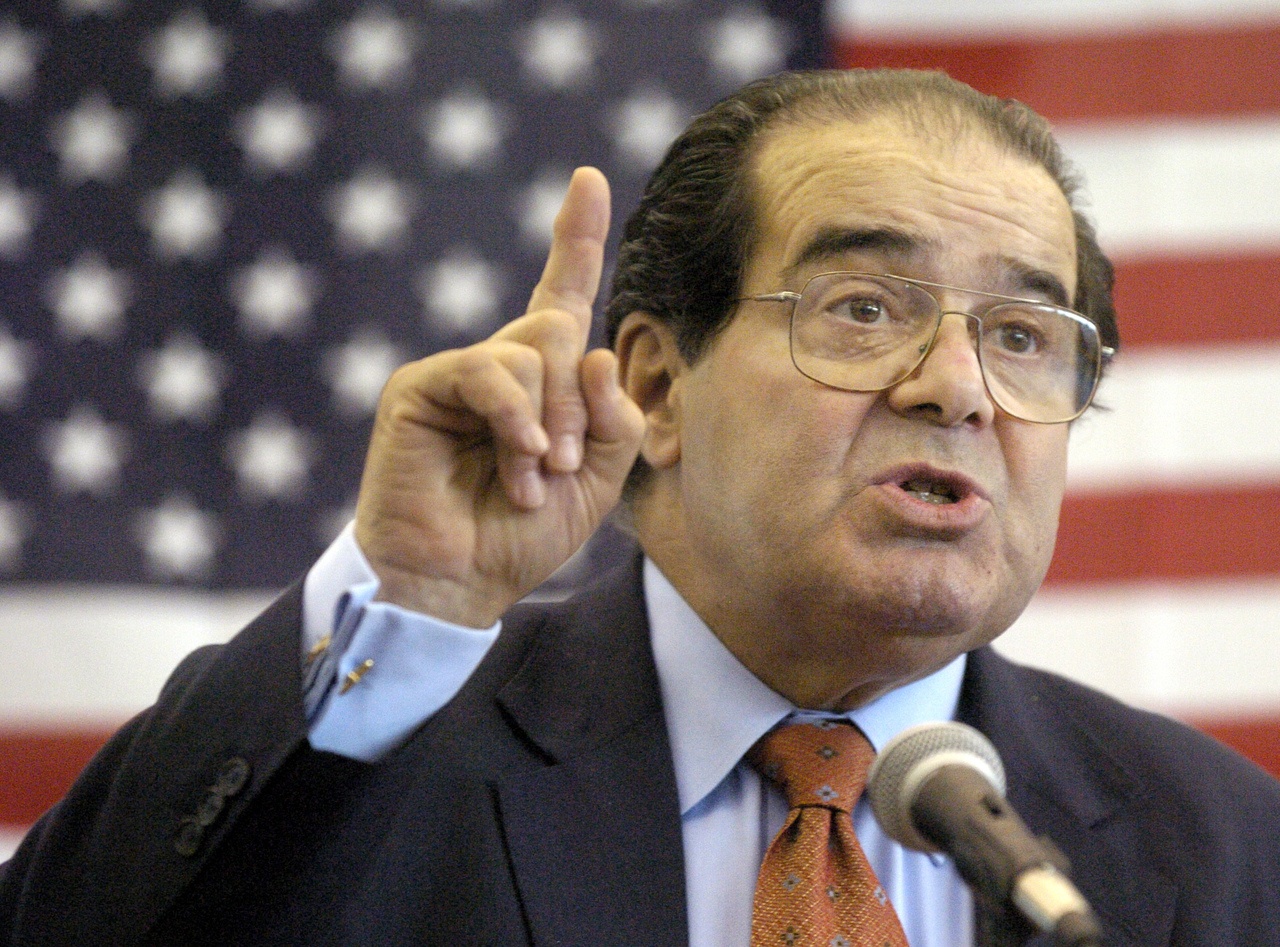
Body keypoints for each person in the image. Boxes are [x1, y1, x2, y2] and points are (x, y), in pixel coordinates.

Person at [2, 69, 1278, 947]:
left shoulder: (1219, 848)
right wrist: (401, 600)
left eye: (1020, 334)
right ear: (657, 387)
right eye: (863, 309)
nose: (955, 388)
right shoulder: (382, 762)